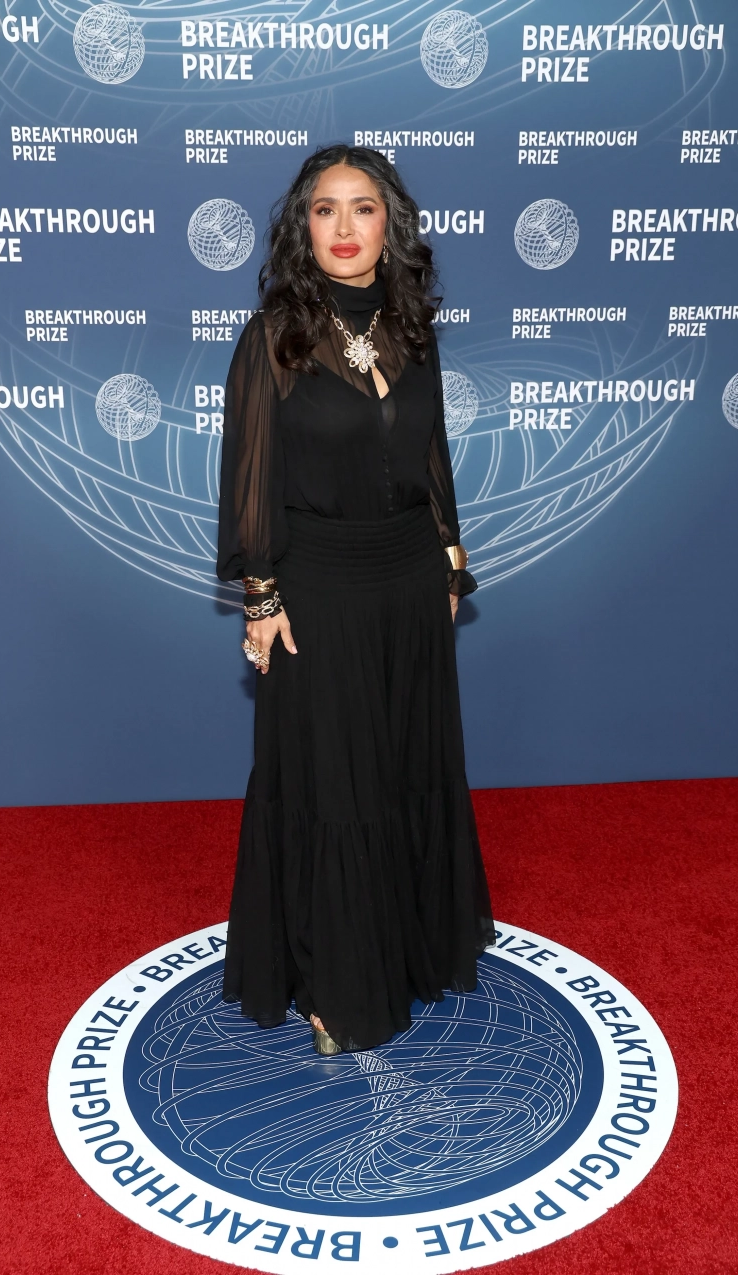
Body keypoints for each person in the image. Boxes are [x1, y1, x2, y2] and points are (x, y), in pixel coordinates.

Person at [217, 143, 494, 1055]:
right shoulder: (275, 337)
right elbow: (250, 477)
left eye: (363, 207)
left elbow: (430, 454)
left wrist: (449, 561)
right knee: (334, 785)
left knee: (404, 770)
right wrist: (262, 596)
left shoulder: (412, 328)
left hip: (408, 582)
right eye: (325, 208)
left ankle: (407, 948)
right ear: (303, 226)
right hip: (321, 586)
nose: (344, 227)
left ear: (390, 224)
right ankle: (334, 982)